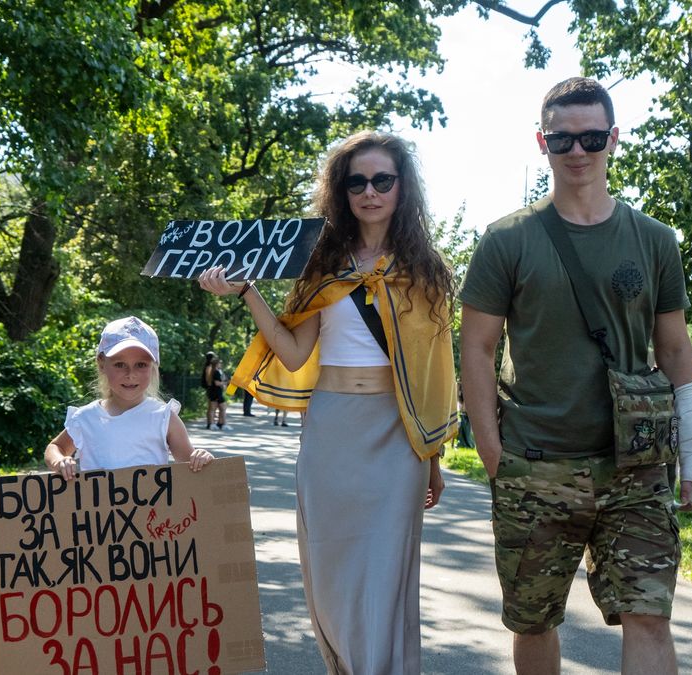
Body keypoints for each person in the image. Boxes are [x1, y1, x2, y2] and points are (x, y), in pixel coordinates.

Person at [459, 77, 692, 675]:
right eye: (563, 139)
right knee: (535, 620)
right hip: (535, 464)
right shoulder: (506, 239)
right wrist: (493, 451)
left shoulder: (654, 240)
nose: (578, 151)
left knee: (649, 615)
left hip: (636, 468)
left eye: (592, 137)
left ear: (614, 139)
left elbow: (675, 347)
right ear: (541, 141)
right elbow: (477, 348)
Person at [198, 130, 457, 674]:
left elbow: (433, 374)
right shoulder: (321, 264)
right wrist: (248, 292)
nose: (369, 191)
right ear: (341, 191)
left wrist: (432, 456)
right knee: (332, 567)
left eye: (382, 179)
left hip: (398, 439)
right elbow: (293, 354)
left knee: (386, 573)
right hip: (332, 431)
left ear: (401, 187)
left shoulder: (426, 271)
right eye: (356, 181)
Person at [44, 316, 213, 480]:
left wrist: (201, 458)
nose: (130, 375)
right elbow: (55, 447)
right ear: (102, 364)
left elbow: (189, 465)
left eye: (141, 365)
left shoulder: (164, 417)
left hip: (152, 509)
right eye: (119, 364)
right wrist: (59, 461)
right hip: (100, 509)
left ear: (153, 367)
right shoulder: (85, 417)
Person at [202, 352, 229, 430]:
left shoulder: (213, 369)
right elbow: (210, 381)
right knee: (213, 408)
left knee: (214, 407)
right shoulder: (210, 368)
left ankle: (217, 423)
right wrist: (224, 383)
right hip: (214, 390)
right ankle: (212, 423)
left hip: (214, 390)